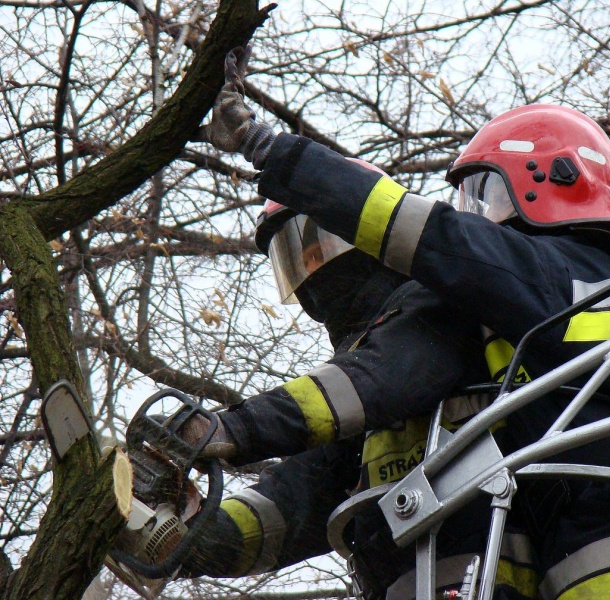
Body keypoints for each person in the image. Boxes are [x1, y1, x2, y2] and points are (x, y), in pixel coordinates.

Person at [193, 47, 610, 599]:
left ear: (547, 179)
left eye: (482, 193)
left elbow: (433, 247)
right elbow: (303, 493)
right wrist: (171, 530)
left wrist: (272, 151)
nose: (474, 217)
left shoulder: (550, 276)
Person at [178, 177, 539, 597]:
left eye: (322, 245)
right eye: (298, 257)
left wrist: (230, 429)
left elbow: (378, 378)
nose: (315, 266)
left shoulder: (439, 308)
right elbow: (295, 501)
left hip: (498, 576)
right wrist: (186, 533)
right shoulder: (350, 408)